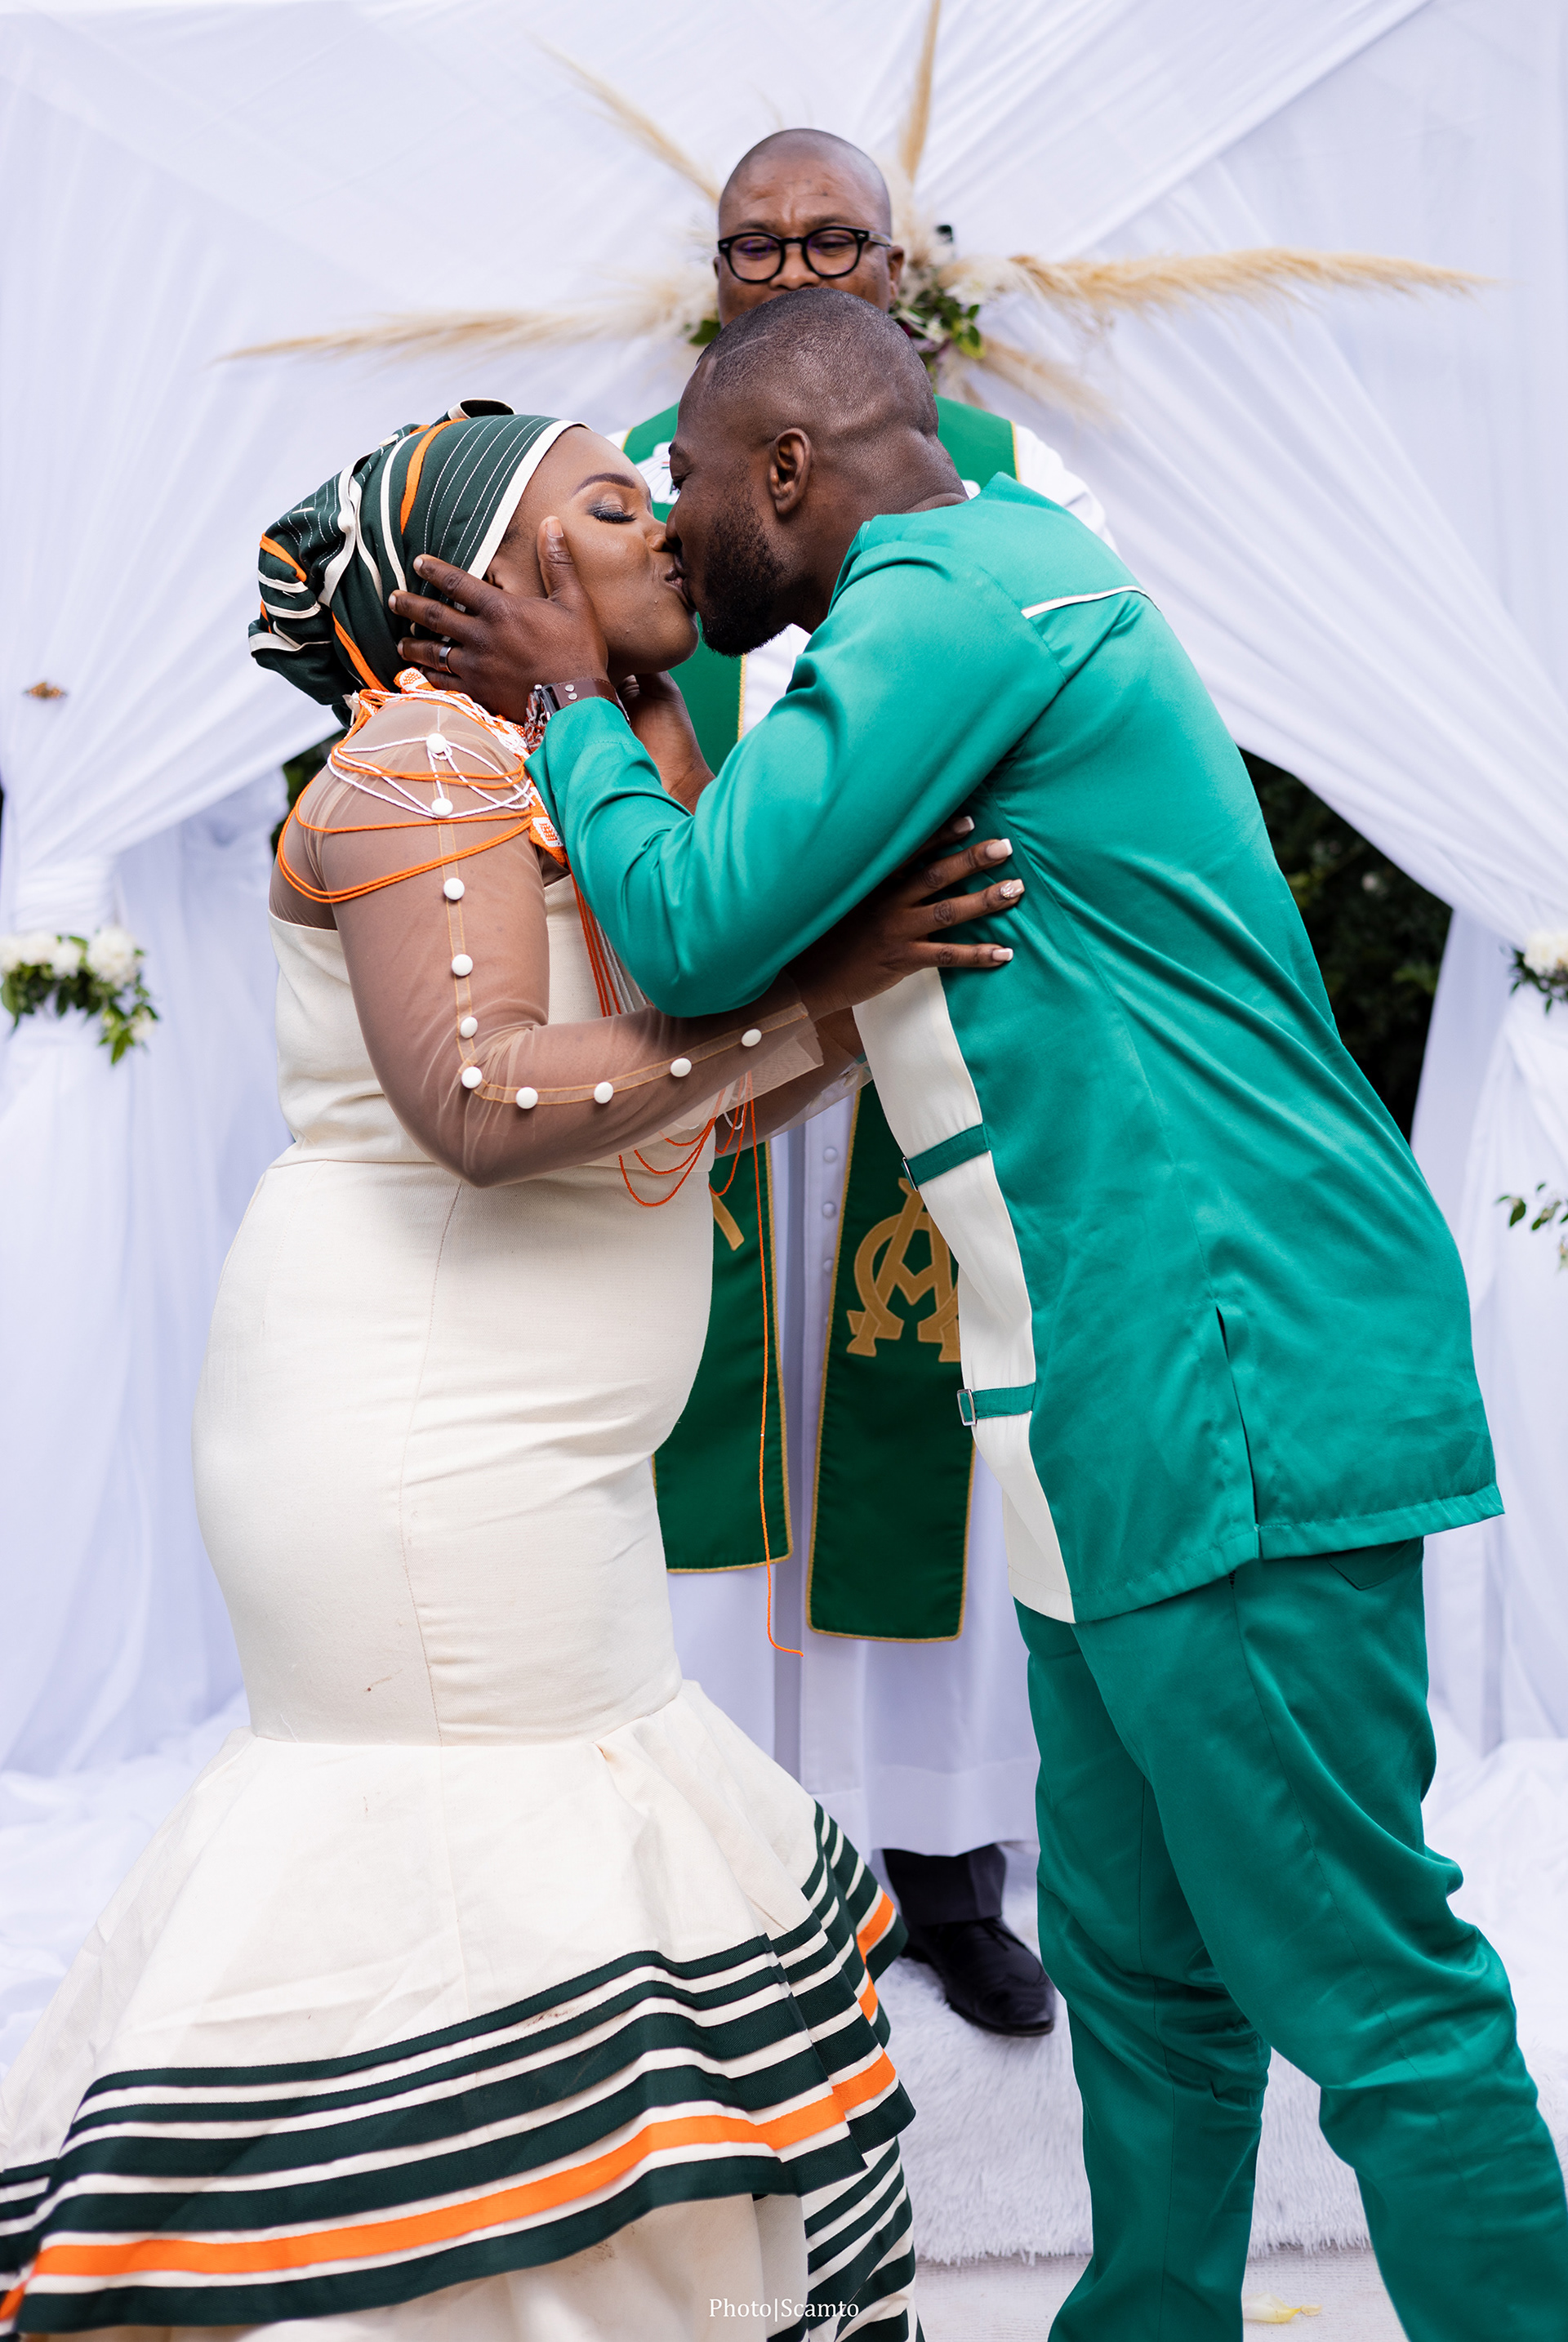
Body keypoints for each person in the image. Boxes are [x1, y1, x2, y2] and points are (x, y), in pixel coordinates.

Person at [388, 304, 1568, 2340]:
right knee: (1144, 1970)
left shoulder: (950, 594)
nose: (671, 523)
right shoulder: (954, 605)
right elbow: (767, 948)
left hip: (1226, 1364)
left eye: (685, 481)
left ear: (786, 471)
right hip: (1096, 1399)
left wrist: (574, 700)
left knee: (1366, 1980)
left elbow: (689, 928)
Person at [0, 402, 1022, 2340]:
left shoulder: (579, 765)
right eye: (616, 503)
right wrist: (814, 992)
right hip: (410, 1447)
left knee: (556, 1881)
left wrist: (866, 988)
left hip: (531, 1456)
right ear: (487, 579)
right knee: (462, 1880)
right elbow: (480, 1102)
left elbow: (690, 1114)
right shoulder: (419, 761)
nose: (668, 529)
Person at [621, 127, 1088, 2039]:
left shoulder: (1011, 483)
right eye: (759, 243)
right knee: (717, 1438)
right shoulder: (645, 482)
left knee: (933, 1438)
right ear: (715, 270)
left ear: (899, 269)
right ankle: (736, 1865)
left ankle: (944, 1863)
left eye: (834, 239)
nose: (796, 266)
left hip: (919, 1041)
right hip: (731, 1050)